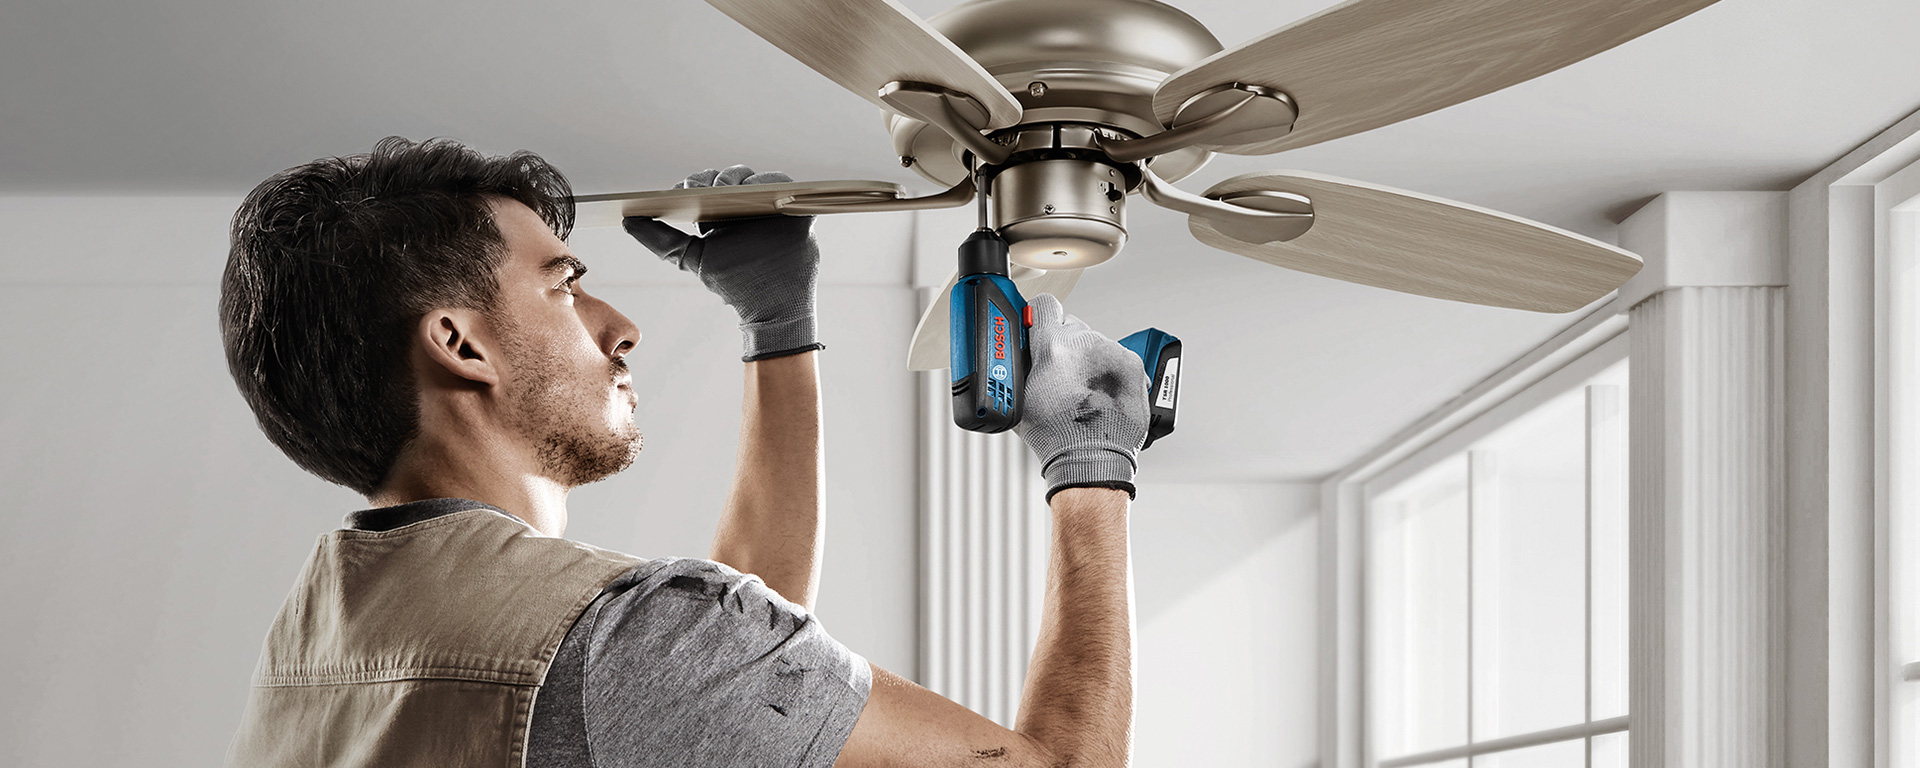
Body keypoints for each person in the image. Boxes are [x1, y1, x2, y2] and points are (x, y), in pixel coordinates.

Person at [221, 136, 1150, 767]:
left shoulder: (322, 633)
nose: (619, 327)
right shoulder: (628, 639)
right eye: (564, 288)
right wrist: (1090, 459)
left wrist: (778, 327)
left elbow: (716, 679)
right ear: (460, 344)